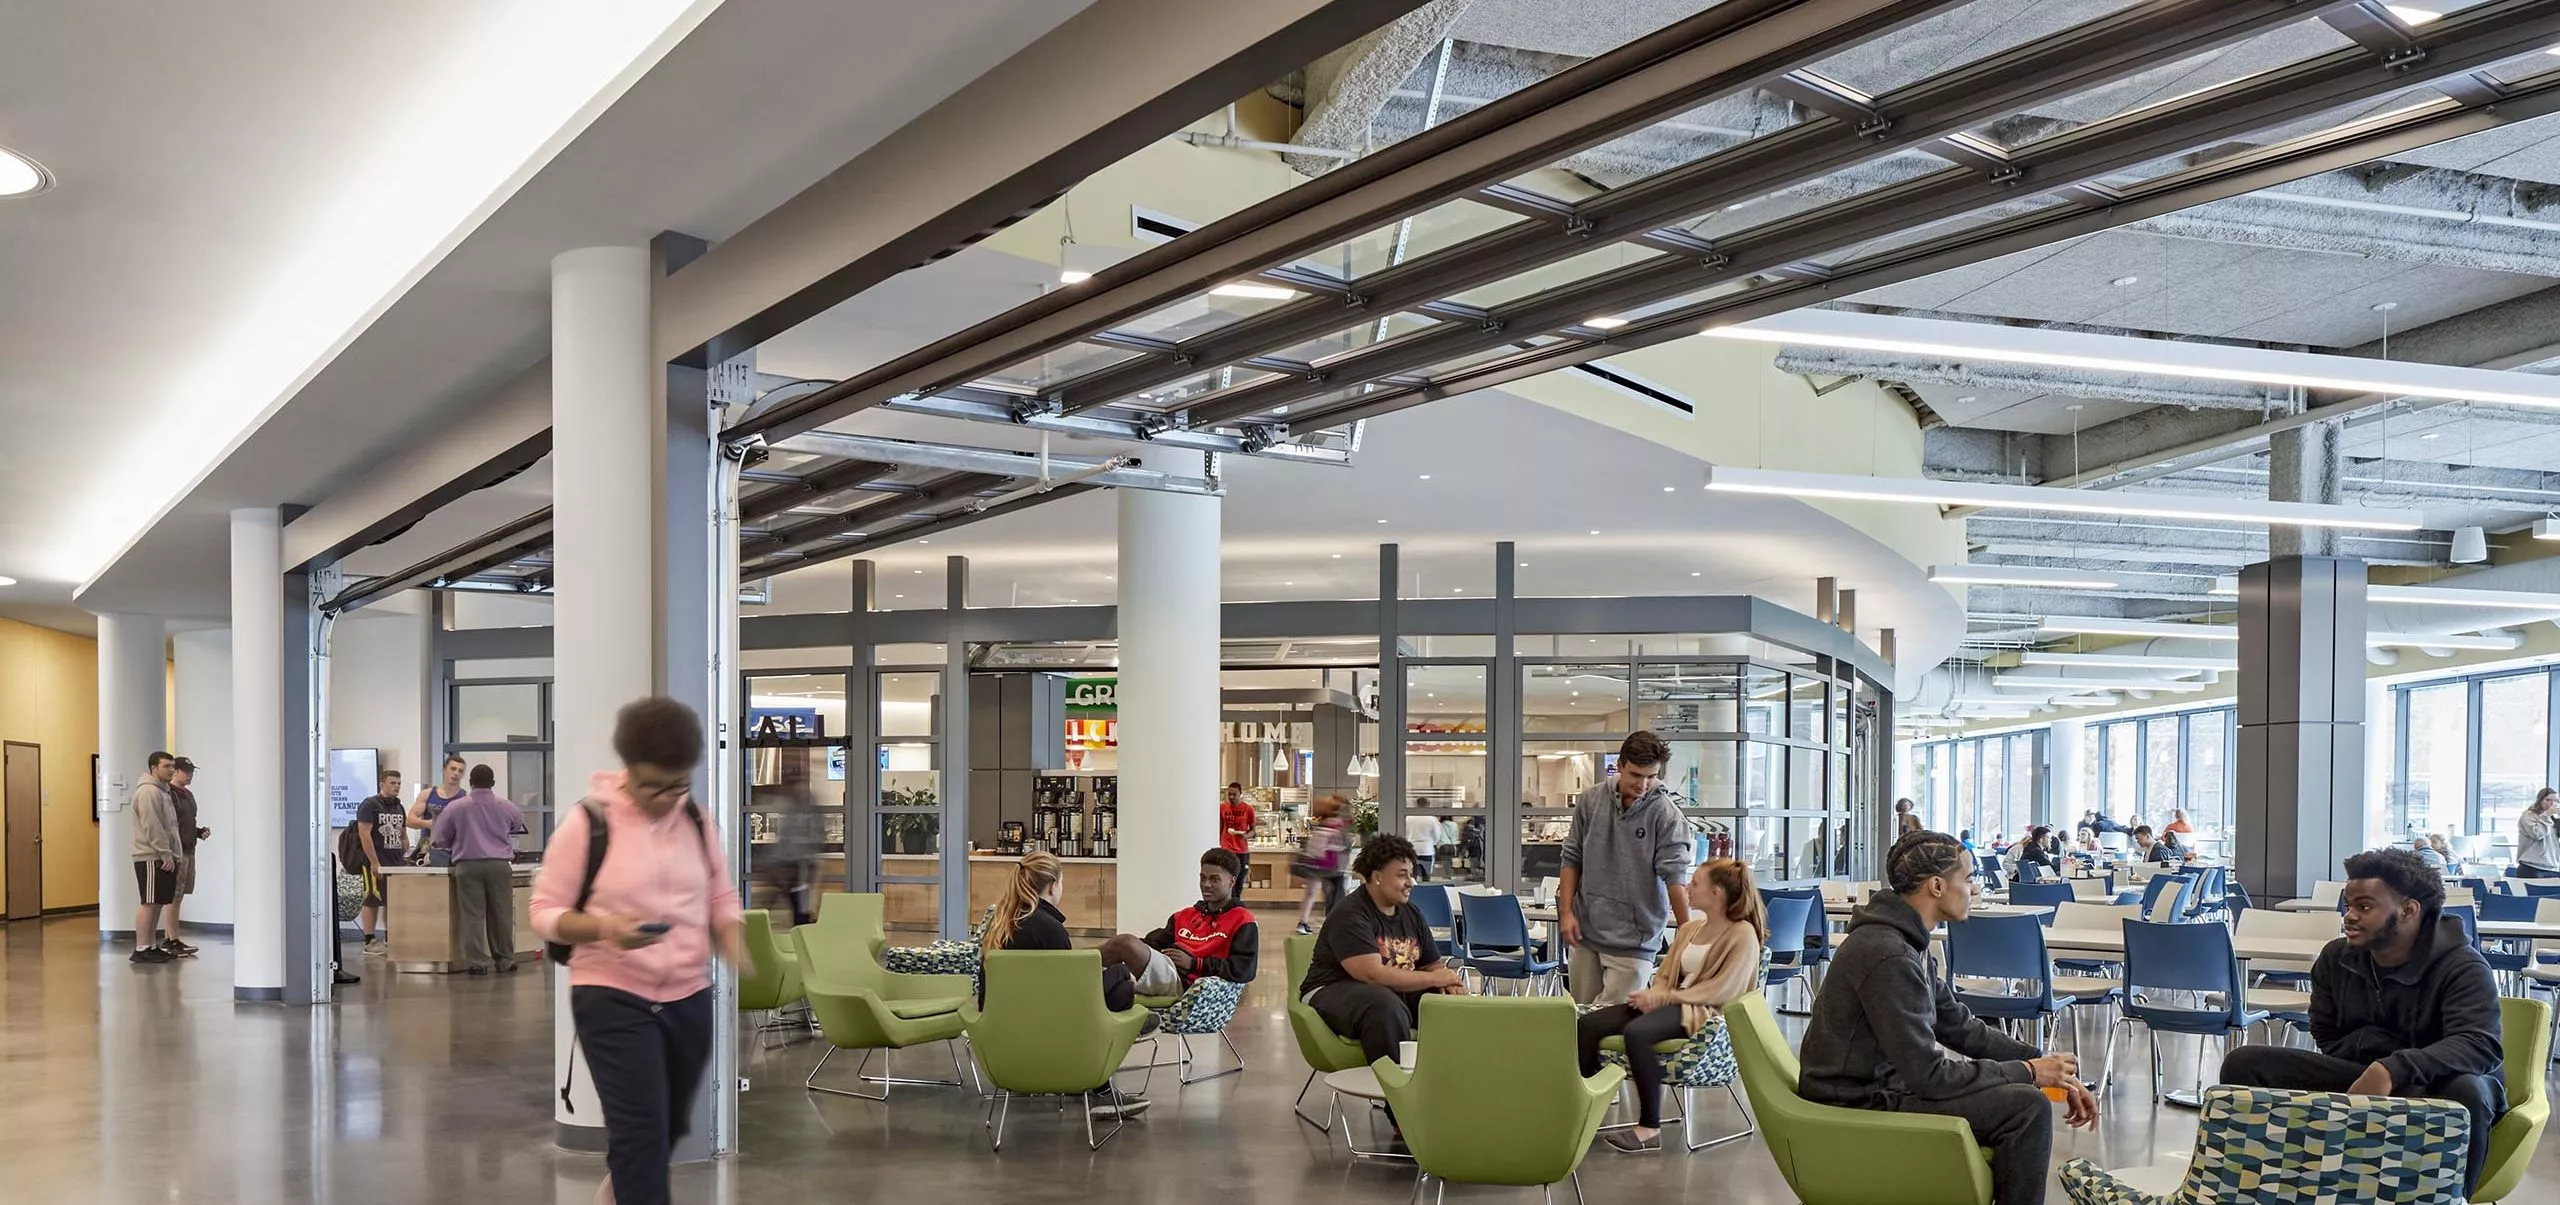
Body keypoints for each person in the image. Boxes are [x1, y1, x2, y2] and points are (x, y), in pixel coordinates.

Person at [1798, 831, 2098, 1205]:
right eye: (1969, 878)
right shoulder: (1889, 954)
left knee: (2024, 1098)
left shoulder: (1905, 942)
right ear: (1937, 886)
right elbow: (1931, 1078)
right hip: (1854, 1101)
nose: (1975, 888)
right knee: (2026, 1107)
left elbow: (1961, 1026)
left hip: (1875, 1087)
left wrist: (2047, 1065)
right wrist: (2031, 1072)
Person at [530, 698, 748, 1205]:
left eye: (679, 785)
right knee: (640, 1135)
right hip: (611, 994)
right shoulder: (588, 824)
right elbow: (543, 909)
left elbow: (720, 894)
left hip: (689, 995)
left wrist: (734, 939)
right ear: (627, 770)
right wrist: (605, 928)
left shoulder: (695, 819)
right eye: (654, 786)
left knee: (667, 1129)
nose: (667, 798)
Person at [2221, 847, 2505, 1195]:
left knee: (2468, 1091)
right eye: (2348, 905)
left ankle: (2453, 1199)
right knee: (2246, 1064)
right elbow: (2325, 1033)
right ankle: (2257, 1190)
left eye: (2365, 907)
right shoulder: (2335, 958)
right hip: (2359, 1073)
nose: (2349, 916)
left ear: (2409, 910)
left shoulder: (2463, 966)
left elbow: (2478, 1045)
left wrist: (2391, 1069)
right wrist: (2374, 1059)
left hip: (2436, 1082)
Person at [1575, 858, 1768, 1153]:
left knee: (1637, 1033)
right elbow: (1665, 974)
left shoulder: (1743, 935)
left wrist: (1666, 997)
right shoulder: (1690, 929)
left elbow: (1724, 989)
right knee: (1587, 1025)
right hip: (1670, 1003)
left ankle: (1649, 1128)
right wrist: (1655, 995)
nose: (1688, 887)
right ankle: (1584, 1112)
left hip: (1703, 1012)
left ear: (1717, 892)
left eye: (1695, 883)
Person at [1298, 833, 1467, 1130]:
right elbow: (1370, 974)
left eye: (1411, 874)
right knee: (1383, 1006)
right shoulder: (1350, 914)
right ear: (1376, 877)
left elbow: (1431, 963)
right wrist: (1433, 976)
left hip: (1387, 991)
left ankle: (1449, 1095)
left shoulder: (1410, 912)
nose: (1410, 882)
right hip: (1330, 990)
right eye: (1402, 875)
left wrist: (1447, 984)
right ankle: (1401, 1109)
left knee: (1445, 1004)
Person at [981, 851, 1152, 1119]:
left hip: (1001, 1031)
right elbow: (1073, 996)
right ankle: (1099, 1088)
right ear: (1052, 886)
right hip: (1051, 1029)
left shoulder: (1001, 922)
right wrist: (1119, 973)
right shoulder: (1049, 928)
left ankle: (1094, 1080)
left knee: (1114, 982)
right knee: (1121, 987)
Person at [1559, 731, 1694, 1008]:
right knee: (1579, 1018)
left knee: (1612, 1021)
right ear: (1619, 766)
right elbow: (1571, 857)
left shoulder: (1666, 814)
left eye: (1651, 776)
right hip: (1585, 931)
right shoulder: (1590, 801)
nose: (1643, 784)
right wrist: (1567, 913)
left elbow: (1675, 875)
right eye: (1635, 775)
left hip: (1636, 940)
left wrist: (1686, 929)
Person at [1098, 847, 1260, 1001]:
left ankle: (1075, 962)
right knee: (1115, 976)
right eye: (1202, 877)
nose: (1206, 884)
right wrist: (1139, 951)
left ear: (1232, 882)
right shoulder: (1184, 916)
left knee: (1124, 944)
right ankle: (1079, 972)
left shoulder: (1242, 920)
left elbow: (1244, 970)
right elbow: (1153, 943)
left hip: (1191, 986)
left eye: (1214, 879)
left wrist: (1194, 964)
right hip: (1167, 971)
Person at [436, 764, 527, 975]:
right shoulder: (507, 806)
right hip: (499, 866)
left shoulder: (455, 807)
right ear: (493, 783)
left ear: (470, 783)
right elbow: (516, 827)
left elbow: (441, 838)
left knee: (472, 916)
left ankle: (478, 963)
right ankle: (504, 960)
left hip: (467, 866)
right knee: (502, 914)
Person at [128, 751, 183, 966]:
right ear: (153, 768)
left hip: (163, 855)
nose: (171, 770)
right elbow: (152, 826)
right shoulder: (149, 792)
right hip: (151, 856)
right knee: (149, 902)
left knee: (158, 902)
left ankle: (151, 946)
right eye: (166, 766)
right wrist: (164, 853)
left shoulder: (163, 792)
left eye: (172, 766)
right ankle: (141, 948)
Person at [158, 756, 209, 959]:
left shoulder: (187, 795)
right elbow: (169, 825)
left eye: (191, 772)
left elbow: (185, 822)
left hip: (189, 849)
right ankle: (172, 940)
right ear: (175, 772)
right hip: (176, 852)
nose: (189, 775)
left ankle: (171, 937)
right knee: (173, 896)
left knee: (179, 895)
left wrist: (197, 832)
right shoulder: (168, 794)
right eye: (185, 771)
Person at [353, 768, 406, 954]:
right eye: (392, 783)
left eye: (399, 783)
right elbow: (364, 834)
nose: (397, 786)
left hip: (396, 862)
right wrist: (374, 862)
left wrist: (405, 849)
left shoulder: (399, 806)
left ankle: (391, 937)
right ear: (382, 784)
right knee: (372, 900)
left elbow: (402, 832)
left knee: (392, 901)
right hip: (376, 862)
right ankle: (369, 940)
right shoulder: (370, 805)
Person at [1293, 794, 1351, 935]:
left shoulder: (1322, 823)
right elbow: (1342, 844)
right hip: (1330, 866)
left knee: (1311, 893)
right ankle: (1334, 924)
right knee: (1335, 895)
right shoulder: (1338, 822)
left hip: (1314, 863)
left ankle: (1303, 923)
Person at [408, 753, 467, 861]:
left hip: (456, 851)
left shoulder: (465, 799)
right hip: (429, 851)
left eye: (460, 771)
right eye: (453, 769)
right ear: (444, 770)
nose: (456, 773)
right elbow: (410, 820)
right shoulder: (427, 794)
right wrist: (431, 824)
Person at [2517, 788, 2560, 880]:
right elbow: (2536, 834)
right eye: (2548, 800)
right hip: (2531, 867)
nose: (2552, 803)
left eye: (2555, 800)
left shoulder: (2553, 818)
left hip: (2551, 866)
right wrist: (2546, 815)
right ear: (2540, 800)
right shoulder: (2529, 815)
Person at [1218, 782, 1256, 857]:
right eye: (1229, 794)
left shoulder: (1248, 809)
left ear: (1240, 794)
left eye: (1234, 794)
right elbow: (1220, 827)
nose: (1231, 797)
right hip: (1226, 848)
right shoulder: (1222, 808)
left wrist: (1245, 836)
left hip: (1241, 849)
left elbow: (1253, 831)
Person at [1403, 804, 1439, 881]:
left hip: (1412, 848)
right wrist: (1434, 843)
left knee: (1412, 875)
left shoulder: (1408, 818)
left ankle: (1413, 891)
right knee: (1426, 875)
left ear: (1416, 805)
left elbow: (1404, 833)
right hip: (1427, 850)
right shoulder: (1432, 819)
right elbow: (1437, 835)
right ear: (1428, 805)